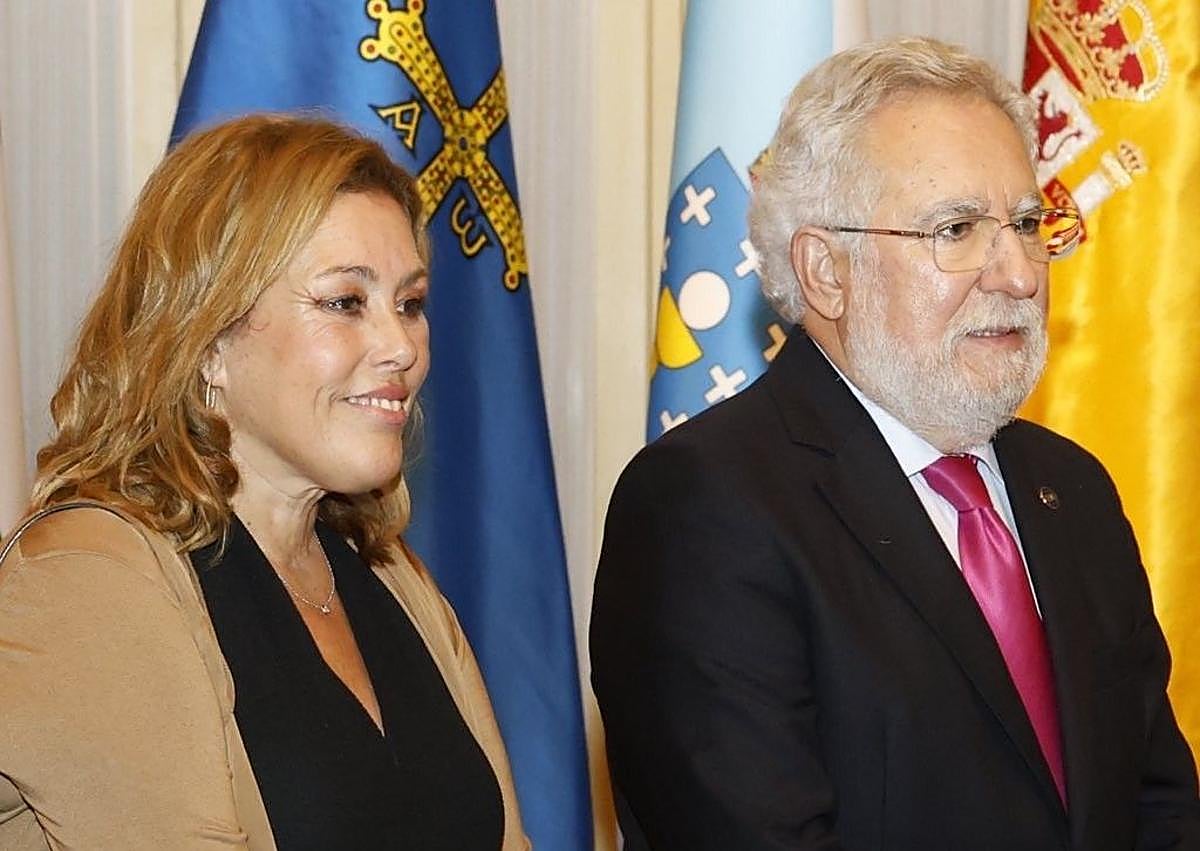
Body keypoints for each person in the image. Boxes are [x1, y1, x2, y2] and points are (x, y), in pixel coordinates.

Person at [591, 36, 1200, 850]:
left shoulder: (1073, 488)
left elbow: (1160, 808)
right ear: (826, 271)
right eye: (957, 228)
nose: (1020, 273)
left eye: (1026, 223)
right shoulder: (704, 506)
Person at [0, 114, 528, 850]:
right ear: (208, 341)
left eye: (409, 304)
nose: (402, 346)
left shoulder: (391, 576)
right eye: (345, 302)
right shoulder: (86, 577)